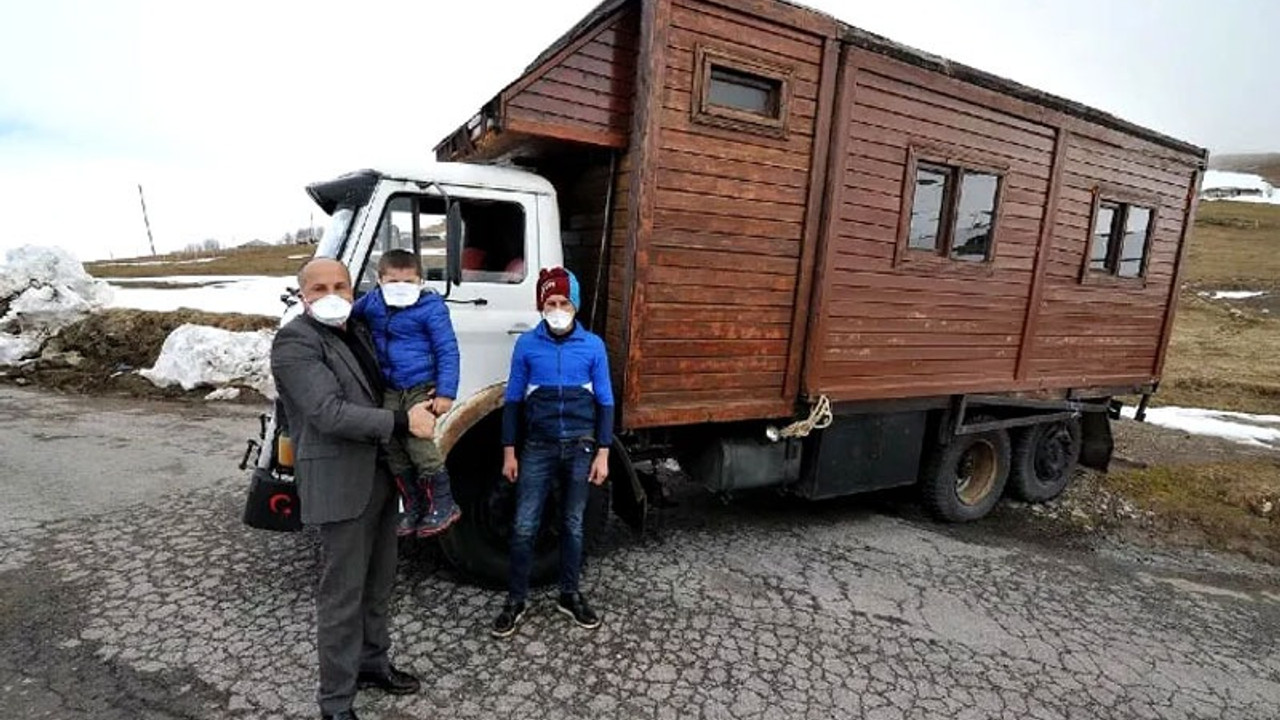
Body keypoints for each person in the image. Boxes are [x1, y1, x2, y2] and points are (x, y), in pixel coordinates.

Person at [271, 258, 434, 720]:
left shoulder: (354, 329)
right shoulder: (296, 341)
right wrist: (404, 421)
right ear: (303, 295)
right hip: (341, 479)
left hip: (380, 475)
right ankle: (336, 702)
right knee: (342, 595)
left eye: (340, 285)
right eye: (319, 287)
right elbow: (328, 412)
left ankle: (372, 664)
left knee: (379, 582)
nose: (331, 294)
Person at [491, 267, 614, 638]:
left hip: (581, 446)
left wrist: (603, 451)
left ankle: (570, 593)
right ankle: (516, 598)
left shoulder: (593, 345)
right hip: (538, 447)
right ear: (541, 306)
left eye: (563, 302)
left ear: (575, 306)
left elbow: (606, 401)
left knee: (573, 524)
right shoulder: (527, 345)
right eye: (550, 303)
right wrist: (509, 452)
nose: (557, 309)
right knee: (525, 523)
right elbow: (512, 400)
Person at [352, 249, 462, 538]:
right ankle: (413, 505)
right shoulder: (373, 302)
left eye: (408, 281)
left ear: (420, 280)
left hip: (419, 387)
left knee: (419, 442)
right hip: (389, 386)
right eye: (392, 281)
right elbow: (349, 316)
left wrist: (446, 391)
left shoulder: (431, 307)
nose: (400, 288)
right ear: (379, 280)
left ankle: (443, 503)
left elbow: (447, 349)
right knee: (391, 443)